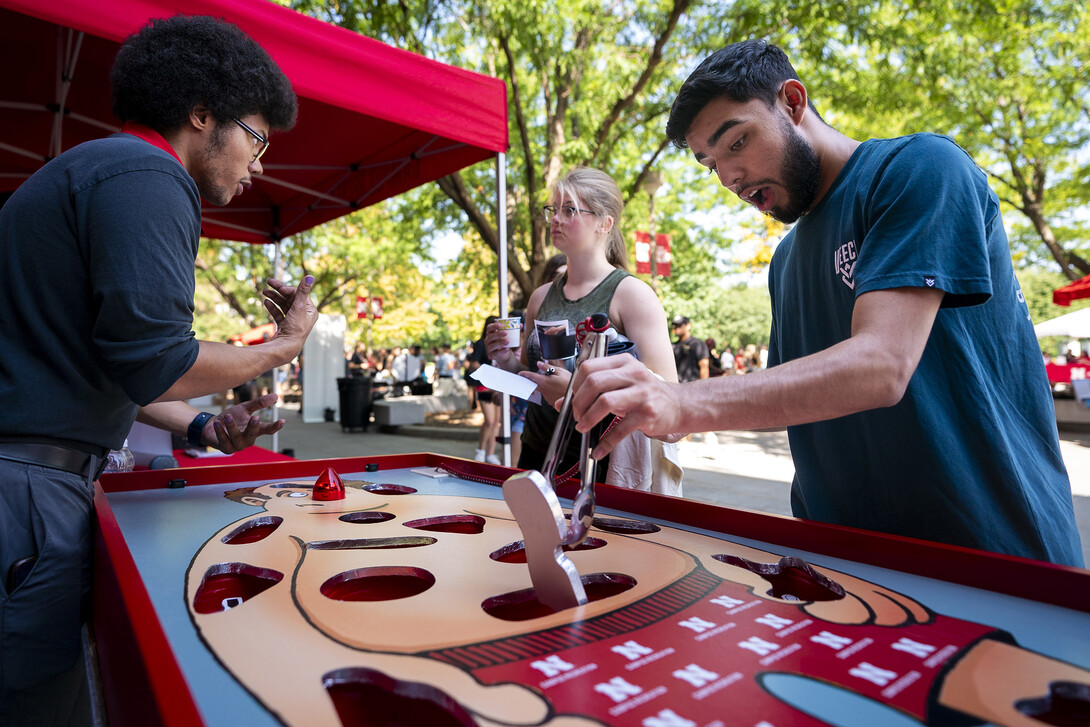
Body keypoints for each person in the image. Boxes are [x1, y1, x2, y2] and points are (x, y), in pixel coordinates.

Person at [569, 39, 1083, 567]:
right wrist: (642, 403)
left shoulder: (918, 169)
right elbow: (788, 397)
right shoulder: (785, 259)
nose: (728, 178)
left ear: (793, 102)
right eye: (710, 164)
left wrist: (685, 402)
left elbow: (880, 366)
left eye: (737, 142)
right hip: (839, 569)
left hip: (992, 558)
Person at [0, 15, 318, 724]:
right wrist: (282, 347)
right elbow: (157, 360)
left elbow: (112, 364)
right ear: (202, 113)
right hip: (27, 493)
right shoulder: (149, 175)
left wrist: (205, 424)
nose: (259, 163)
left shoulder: (97, 167)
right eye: (258, 138)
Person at [485, 167, 678, 484]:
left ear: (605, 223)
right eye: (553, 210)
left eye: (569, 210)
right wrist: (504, 359)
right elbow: (533, 380)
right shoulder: (540, 297)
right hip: (536, 456)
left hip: (598, 467)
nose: (555, 220)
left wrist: (576, 392)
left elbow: (668, 402)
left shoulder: (632, 295)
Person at [470, 317, 502, 464]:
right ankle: (481, 450)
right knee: (489, 421)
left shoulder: (501, 344)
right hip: (484, 386)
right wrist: (488, 372)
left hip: (497, 386)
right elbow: (474, 363)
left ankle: (490, 453)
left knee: (496, 422)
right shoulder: (480, 344)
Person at [671, 315, 710, 382]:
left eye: (679, 325)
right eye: (675, 326)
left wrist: (703, 387)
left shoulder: (697, 344)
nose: (677, 328)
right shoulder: (673, 346)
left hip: (693, 387)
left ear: (688, 325)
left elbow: (704, 367)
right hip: (676, 387)